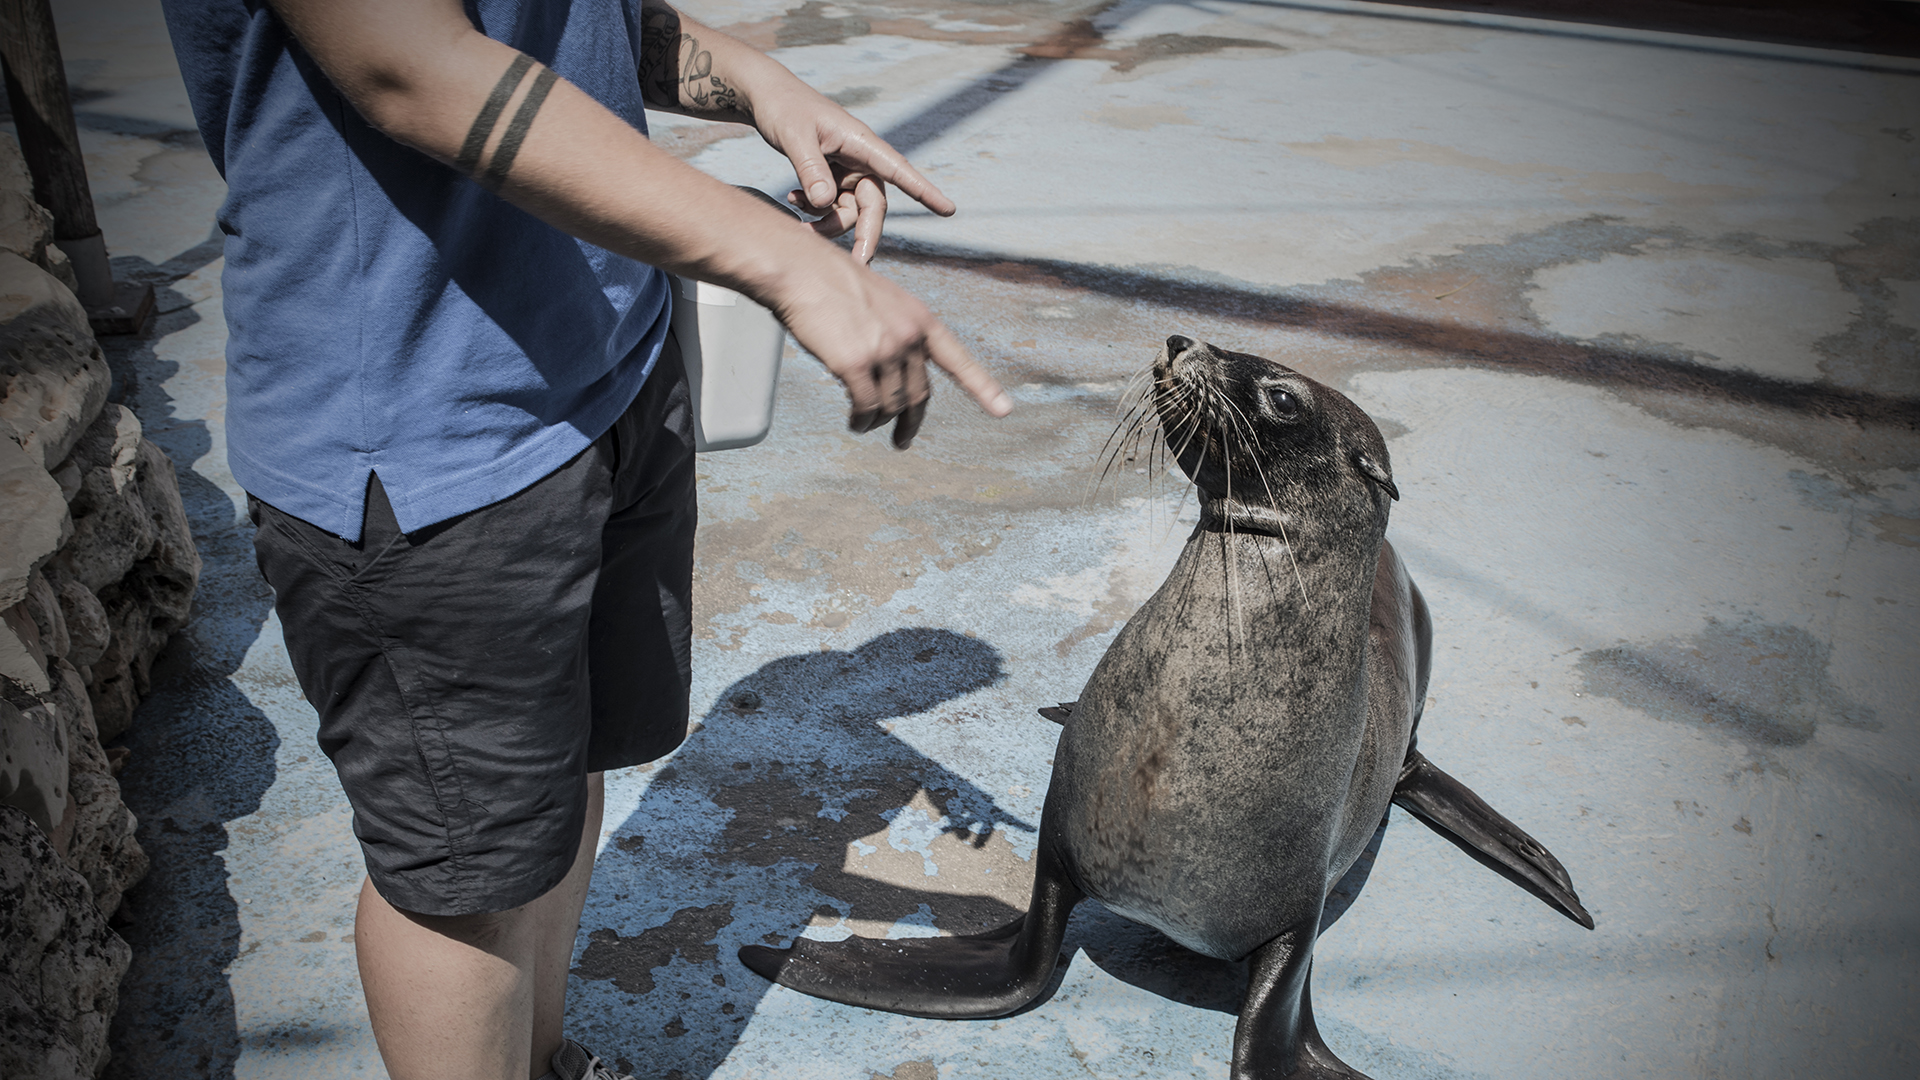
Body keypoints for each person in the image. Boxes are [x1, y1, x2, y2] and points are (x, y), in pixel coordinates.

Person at [158, 1, 1011, 1078]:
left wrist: (748, 78)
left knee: (556, 790)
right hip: (429, 440)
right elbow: (406, 64)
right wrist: (781, 259)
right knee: (467, 880)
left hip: (605, 363)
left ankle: (551, 1062)